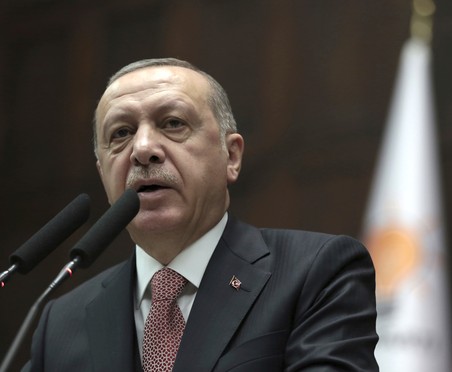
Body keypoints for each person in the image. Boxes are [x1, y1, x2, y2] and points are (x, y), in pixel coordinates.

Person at [25, 58, 379, 371]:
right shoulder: (60, 323)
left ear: (232, 156)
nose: (143, 149)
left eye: (173, 123)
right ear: (103, 171)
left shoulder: (316, 273)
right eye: (121, 133)